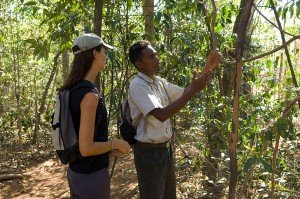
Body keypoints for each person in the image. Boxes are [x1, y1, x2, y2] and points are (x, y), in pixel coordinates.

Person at [128, 40, 221, 199]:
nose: (157, 59)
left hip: (165, 150)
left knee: (169, 194)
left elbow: (185, 92)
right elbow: (161, 115)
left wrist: (208, 68)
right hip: (149, 153)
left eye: (156, 55)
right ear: (139, 64)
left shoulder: (158, 82)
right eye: (151, 57)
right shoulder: (138, 85)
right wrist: (193, 90)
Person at [58, 33, 131, 199]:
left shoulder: (71, 90)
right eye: (104, 51)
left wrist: (108, 148)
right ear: (95, 54)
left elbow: (83, 137)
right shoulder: (89, 95)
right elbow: (87, 148)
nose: (105, 56)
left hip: (77, 173)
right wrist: (116, 142)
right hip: (91, 177)